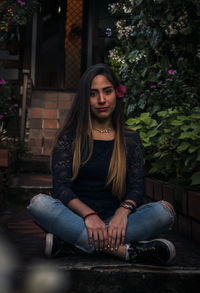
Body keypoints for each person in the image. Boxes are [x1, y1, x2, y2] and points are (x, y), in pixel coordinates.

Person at [27, 63, 176, 264]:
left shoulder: (130, 140)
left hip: (120, 223)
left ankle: (73, 245)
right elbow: (61, 188)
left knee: (165, 211)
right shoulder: (69, 138)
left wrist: (123, 213)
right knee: (39, 204)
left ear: (116, 93)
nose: (102, 100)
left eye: (107, 91)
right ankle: (126, 252)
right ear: (85, 99)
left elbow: (137, 188)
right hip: (79, 220)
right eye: (93, 94)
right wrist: (89, 215)